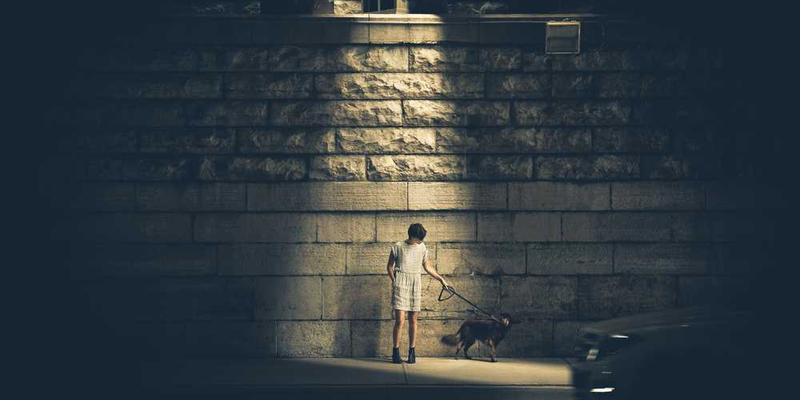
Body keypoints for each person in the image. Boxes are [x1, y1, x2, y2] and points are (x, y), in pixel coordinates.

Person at [387, 223, 449, 364]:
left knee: (413, 320)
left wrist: (441, 279)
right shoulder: (398, 246)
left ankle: (412, 352)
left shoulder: (422, 247)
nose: (421, 241)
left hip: (415, 283)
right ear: (412, 236)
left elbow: (427, 266)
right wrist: (394, 281)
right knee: (400, 321)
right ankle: (395, 352)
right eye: (419, 238)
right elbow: (389, 266)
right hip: (401, 283)